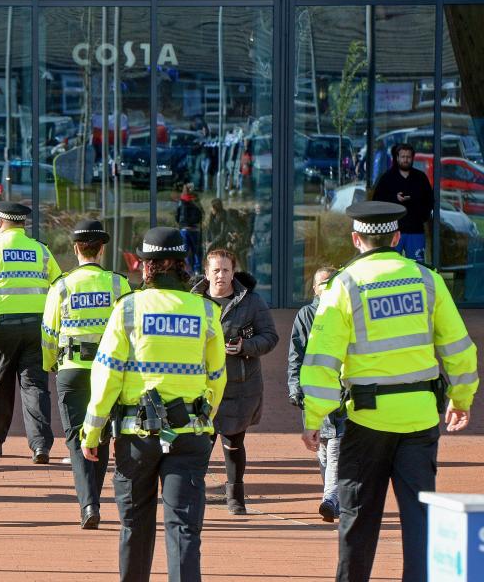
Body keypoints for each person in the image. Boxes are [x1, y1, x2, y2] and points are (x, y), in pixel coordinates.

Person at [300, 201, 478, 582]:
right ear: (396, 237)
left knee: (357, 521)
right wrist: (462, 398)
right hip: (420, 416)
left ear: (356, 239)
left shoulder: (343, 286)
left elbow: (320, 360)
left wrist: (314, 417)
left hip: (366, 421)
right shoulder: (427, 280)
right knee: (419, 519)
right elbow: (459, 348)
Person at [81, 226, 226, 582]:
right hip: (191, 434)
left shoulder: (128, 309)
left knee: (135, 526)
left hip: (137, 438)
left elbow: (107, 375)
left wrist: (92, 431)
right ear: (180, 265)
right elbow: (217, 377)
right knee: (184, 530)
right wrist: (205, 420)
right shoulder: (207, 312)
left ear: (148, 268)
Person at [41, 219, 130, 530]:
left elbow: (49, 332)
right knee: (101, 434)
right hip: (109, 372)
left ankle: (88, 504)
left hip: (72, 370)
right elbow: (129, 331)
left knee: (76, 438)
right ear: (101, 250)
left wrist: (50, 363)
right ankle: (94, 499)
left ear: (75, 248)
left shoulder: (62, 286)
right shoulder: (119, 284)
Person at [0, 201, 62, 463]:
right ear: (23, 224)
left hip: (0, 327)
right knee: (35, 386)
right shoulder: (41, 251)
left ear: (0, 222)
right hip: (37, 326)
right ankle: (40, 445)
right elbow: (58, 288)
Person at [191, 249, 278, 515]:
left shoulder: (251, 302)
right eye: (215, 270)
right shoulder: (192, 301)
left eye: (226, 270)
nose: (221, 275)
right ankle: (193, 496)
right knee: (198, 444)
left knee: (233, 444)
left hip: (240, 387)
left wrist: (245, 346)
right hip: (200, 387)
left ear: (233, 272)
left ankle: (236, 497)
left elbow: (270, 337)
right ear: (206, 273)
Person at [286, 265, 344, 522]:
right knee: (322, 448)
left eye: (332, 282)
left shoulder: (345, 312)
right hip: (313, 393)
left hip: (340, 393)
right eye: (323, 283)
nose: (327, 286)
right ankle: (333, 496)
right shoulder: (306, 315)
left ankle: (330, 498)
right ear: (314, 288)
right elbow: (295, 355)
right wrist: (295, 387)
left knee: (335, 447)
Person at [372, 143, 433, 261]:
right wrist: (395, 199)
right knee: (391, 265)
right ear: (397, 158)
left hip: (415, 230)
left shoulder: (420, 178)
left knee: (418, 265)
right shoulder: (387, 178)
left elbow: (429, 199)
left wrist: (423, 216)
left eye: (408, 157)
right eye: (403, 157)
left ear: (413, 158)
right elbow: (377, 200)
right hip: (392, 231)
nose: (405, 160)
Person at [175, 184, 203, 275]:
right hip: (194, 229)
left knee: (185, 251)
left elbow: (177, 215)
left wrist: (181, 223)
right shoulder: (196, 200)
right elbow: (200, 214)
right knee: (196, 250)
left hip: (184, 229)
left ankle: (188, 270)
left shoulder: (181, 201)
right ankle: (197, 270)